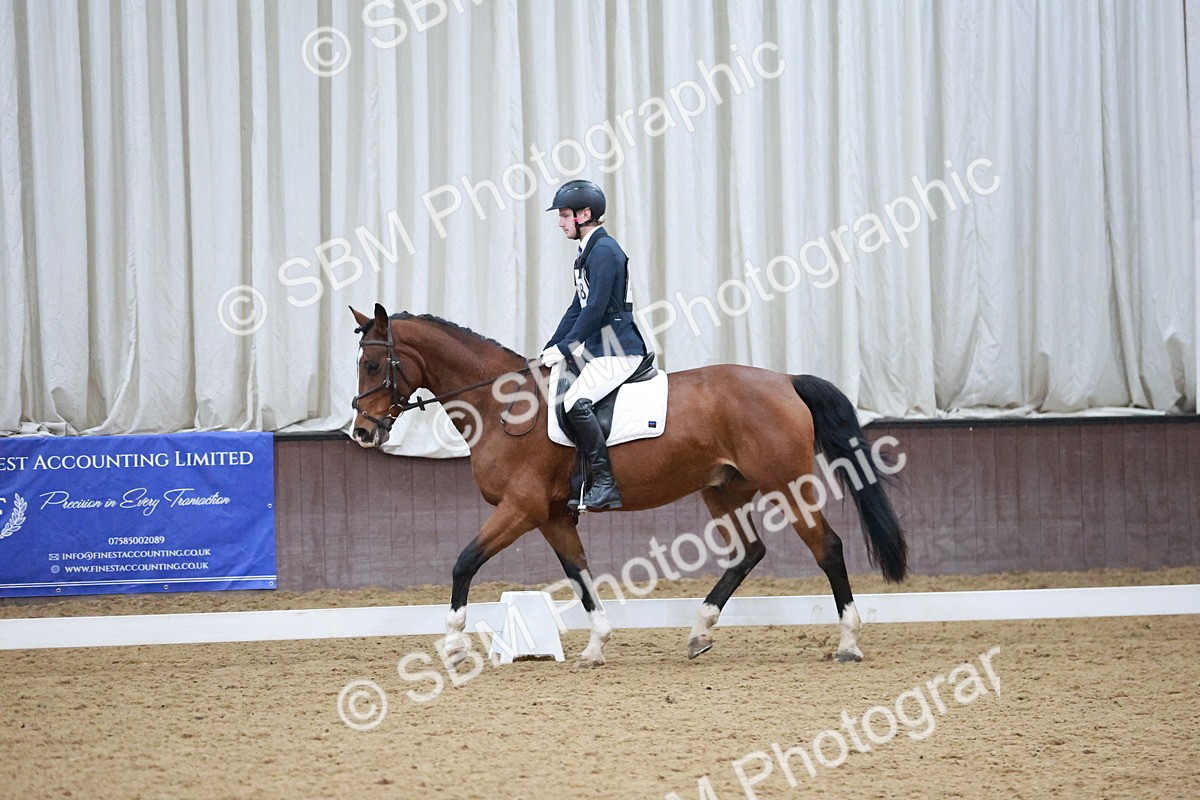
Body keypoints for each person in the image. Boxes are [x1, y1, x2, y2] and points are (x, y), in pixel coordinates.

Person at [540, 179, 647, 511]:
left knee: (574, 402)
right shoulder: (587, 251)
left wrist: (567, 347)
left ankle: (604, 482)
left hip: (618, 347)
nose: (560, 222)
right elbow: (577, 307)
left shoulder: (603, 251)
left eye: (564, 215)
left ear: (584, 214)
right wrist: (552, 345)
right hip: (600, 347)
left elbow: (596, 309)